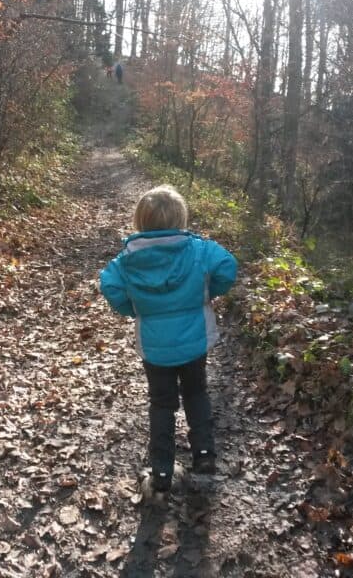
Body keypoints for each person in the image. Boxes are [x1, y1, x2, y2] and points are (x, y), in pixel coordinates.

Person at [100, 184, 237, 493]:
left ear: (140, 221)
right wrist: (204, 294)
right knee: (196, 393)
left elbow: (109, 284)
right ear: (181, 218)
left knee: (161, 405)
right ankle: (204, 454)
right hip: (194, 342)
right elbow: (228, 267)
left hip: (155, 347)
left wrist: (135, 308)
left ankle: (161, 471)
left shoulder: (129, 259)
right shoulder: (199, 249)